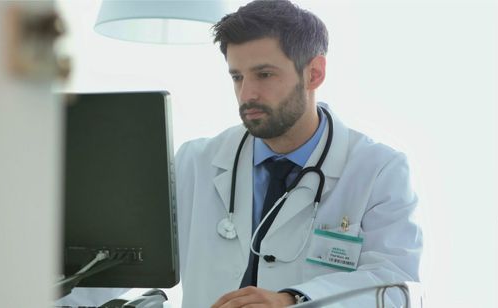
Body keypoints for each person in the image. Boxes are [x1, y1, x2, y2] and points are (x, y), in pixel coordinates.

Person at [174, 0, 423, 307]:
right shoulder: (194, 163)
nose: (247, 94)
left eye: (264, 75)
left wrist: (293, 301)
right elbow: (123, 262)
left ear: (314, 74)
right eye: (237, 77)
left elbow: (394, 286)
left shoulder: (378, 170)